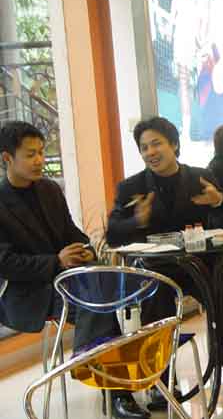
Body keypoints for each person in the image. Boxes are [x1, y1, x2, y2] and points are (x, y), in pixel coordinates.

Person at [0, 122, 150, 419]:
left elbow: (71, 233)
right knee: (99, 299)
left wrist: (86, 249)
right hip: (30, 291)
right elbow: (6, 264)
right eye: (30, 154)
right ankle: (113, 386)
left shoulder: (49, 190)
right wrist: (57, 261)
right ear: (7, 158)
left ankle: (95, 366)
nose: (39, 160)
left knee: (111, 288)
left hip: (70, 280)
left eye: (41, 152)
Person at [106, 116, 223, 414]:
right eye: (144, 147)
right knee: (156, 299)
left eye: (156, 144)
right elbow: (112, 234)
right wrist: (136, 221)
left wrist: (218, 201)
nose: (150, 152)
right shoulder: (131, 187)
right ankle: (161, 383)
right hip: (157, 270)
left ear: (174, 145)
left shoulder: (200, 177)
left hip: (202, 265)